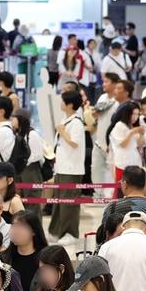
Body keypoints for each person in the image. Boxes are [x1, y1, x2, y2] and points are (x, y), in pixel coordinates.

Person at [48, 90, 87, 243]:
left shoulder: (76, 122)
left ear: (70, 104)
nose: (61, 103)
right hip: (62, 167)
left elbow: (74, 143)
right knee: (59, 201)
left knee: (69, 202)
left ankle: (70, 233)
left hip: (72, 168)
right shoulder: (66, 119)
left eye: (63, 101)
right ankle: (57, 231)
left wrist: (62, 132)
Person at [2, 210, 47, 291]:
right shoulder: (3, 259)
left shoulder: (47, 259)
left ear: (34, 231)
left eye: (21, 227)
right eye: (13, 226)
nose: (15, 231)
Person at [107, 101, 145, 187]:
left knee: (135, 188)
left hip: (135, 162)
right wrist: (131, 132)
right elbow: (123, 144)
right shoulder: (119, 125)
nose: (135, 117)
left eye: (137, 114)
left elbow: (139, 145)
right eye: (133, 114)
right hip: (122, 164)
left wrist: (141, 134)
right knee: (121, 189)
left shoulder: (133, 126)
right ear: (127, 113)